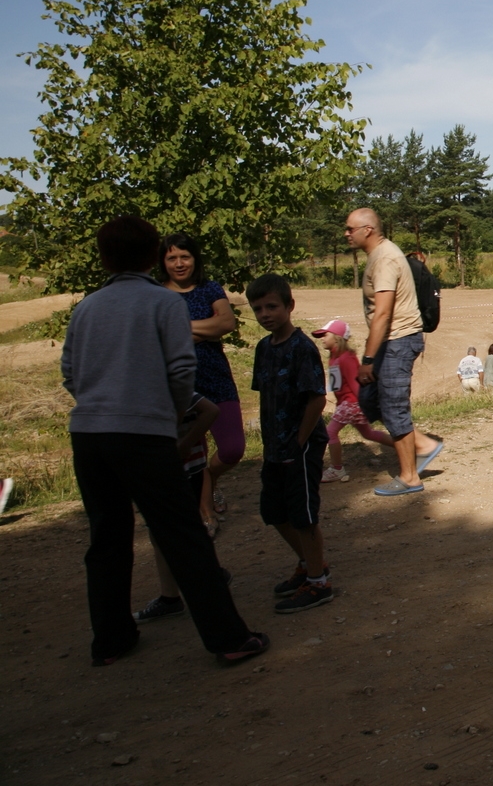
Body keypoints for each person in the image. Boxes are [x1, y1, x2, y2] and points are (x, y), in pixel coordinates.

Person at [62, 216, 266, 666]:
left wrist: (100, 405)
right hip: (144, 434)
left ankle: (111, 641)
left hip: (89, 435)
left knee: (107, 537)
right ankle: (228, 639)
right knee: (183, 534)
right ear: (154, 254)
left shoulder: (87, 308)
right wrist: (167, 419)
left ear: (104, 256)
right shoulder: (164, 305)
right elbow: (180, 373)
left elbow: (70, 375)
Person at [247, 274, 334, 614]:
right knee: (273, 511)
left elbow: (316, 400)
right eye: (258, 309)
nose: (265, 314)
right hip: (274, 447)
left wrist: (299, 440)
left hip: (302, 445)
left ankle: (319, 583)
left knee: (303, 515)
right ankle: (308, 564)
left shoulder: (303, 348)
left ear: (289, 306)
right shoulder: (263, 349)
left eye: (272, 306)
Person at [344, 208, 444, 497]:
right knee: (369, 401)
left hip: (398, 340)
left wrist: (368, 359)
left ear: (368, 230)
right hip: (392, 340)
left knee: (393, 407)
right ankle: (423, 444)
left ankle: (410, 477)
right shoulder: (377, 255)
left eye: (351, 228)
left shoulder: (385, 258)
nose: (346, 234)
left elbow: (383, 313)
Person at [159, 233, 244, 535]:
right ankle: (206, 512)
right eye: (172, 258)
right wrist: (203, 329)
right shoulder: (157, 294)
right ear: (163, 262)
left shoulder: (210, 288)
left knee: (233, 449)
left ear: (195, 259)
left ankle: (209, 482)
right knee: (192, 450)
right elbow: (156, 335)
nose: (179, 263)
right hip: (177, 384)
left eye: (185, 256)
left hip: (215, 376)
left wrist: (176, 330)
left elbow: (226, 323)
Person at [132, 393, 221, 623]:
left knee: (175, 531)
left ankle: (205, 586)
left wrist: (184, 445)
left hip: (180, 468)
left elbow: (210, 410)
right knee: (163, 531)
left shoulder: (167, 385)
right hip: (174, 467)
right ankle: (172, 595)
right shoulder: (160, 382)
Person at [312, 319, 393, 484]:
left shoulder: (346, 358)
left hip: (353, 403)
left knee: (330, 433)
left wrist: (363, 404)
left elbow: (356, 384)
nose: (322, 338)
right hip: (345, 403)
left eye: (325, 335)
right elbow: (338, 385)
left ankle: (337, 469)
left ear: (337, 337)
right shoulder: (333, 357)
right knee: (368, 433)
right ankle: (403, 446)